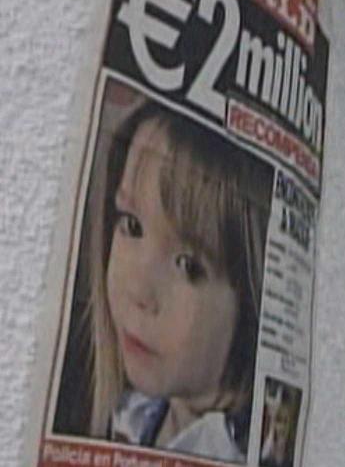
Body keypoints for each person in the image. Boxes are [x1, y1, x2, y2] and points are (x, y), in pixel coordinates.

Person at [85, 100, 272, 462]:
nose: (139, 291)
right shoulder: (132, 415)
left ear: (252, 300)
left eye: (188, 265)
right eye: (131, 226)